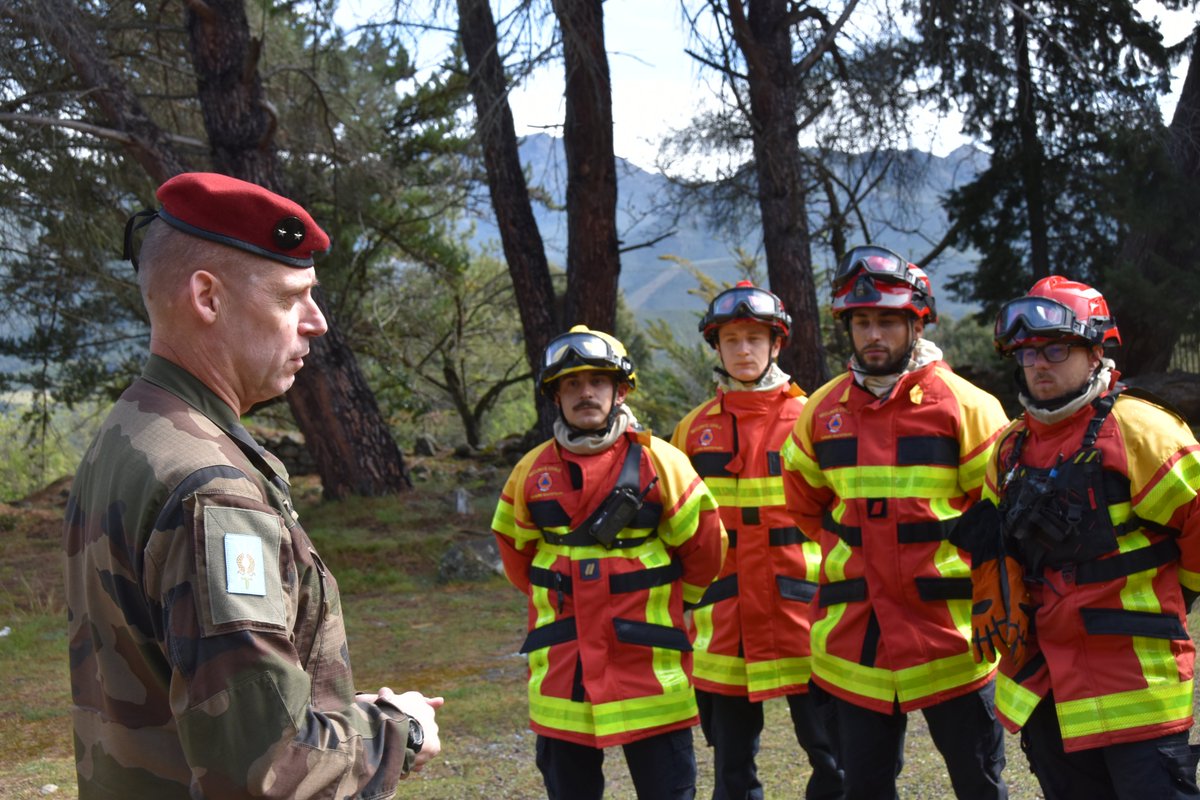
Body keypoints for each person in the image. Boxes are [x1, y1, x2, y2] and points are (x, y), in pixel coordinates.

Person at [64, 173, 441, 799]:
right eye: (290, 297)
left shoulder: (130, 430)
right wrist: (399, 729)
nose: (316, 323)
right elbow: (269, 767)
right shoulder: (211, 492)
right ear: (208, 298)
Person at [780, 244, 1010, 800]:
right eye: (862, 321)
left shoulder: (966, 405)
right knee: (864, 790)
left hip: (952, 641)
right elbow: (805, 505)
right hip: (853, 645)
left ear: (916, 320)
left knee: (979, 787)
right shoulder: (822, 412)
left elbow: (1002, 518)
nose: (873, 335)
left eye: (887, 320)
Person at [966, 275, 1200, 799]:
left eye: (1054, 348)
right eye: (1026, 353)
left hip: (1138, 691)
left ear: (1096, 351)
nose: (1039, 364)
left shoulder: (1144, 432)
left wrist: (1171, 601)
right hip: (1045, 690)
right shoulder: (1008, 449)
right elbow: (997, 553)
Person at [490, 325, 727, 800]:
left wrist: (671, 602)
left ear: (620, 390)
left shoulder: (664, 462)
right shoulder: (531, 471)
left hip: (650, 668)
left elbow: (705, 548)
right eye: (572, 384)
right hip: (564, 670)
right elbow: (517, 555)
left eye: (597, 381)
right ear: (555, 397)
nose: (585, 393)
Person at [671, 282, 843, 800]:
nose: (743, 350)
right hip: (724, 624)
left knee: (835, 759)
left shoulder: (812, 418)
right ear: (716, 347)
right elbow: (678, 529)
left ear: (777, 343)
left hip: (807, 614)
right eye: (731, 339)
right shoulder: (692, 430)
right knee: (732, 768)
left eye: (754, 338)